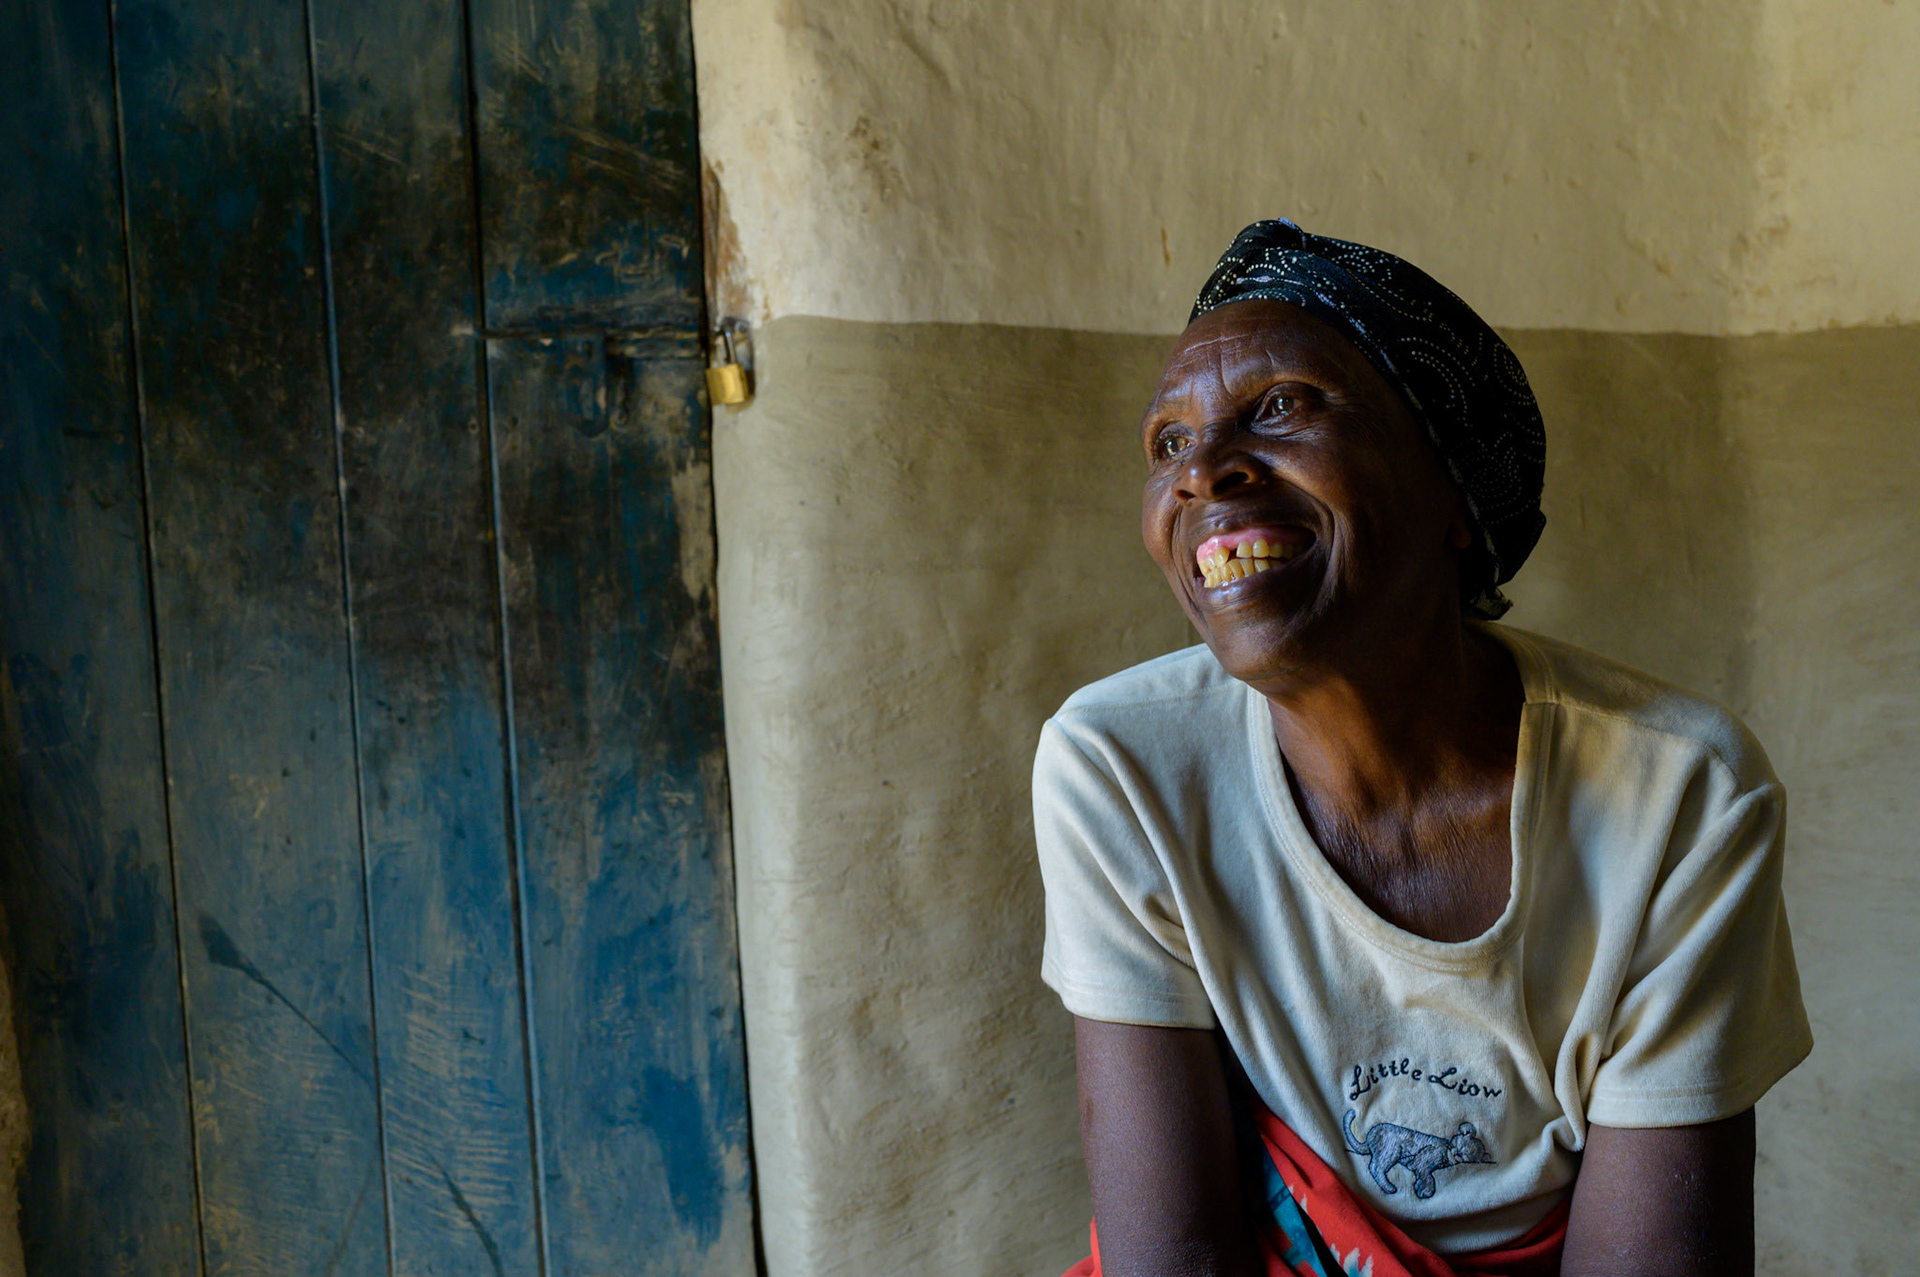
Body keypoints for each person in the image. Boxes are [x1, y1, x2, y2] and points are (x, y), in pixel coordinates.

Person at [1033, 221, 1811, 1277]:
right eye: (1168, 441)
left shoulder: (1679, 796)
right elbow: (1176, 1252)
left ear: (1451, 489)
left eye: (1280, 407)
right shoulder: (1120, 765)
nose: (1203, 472)